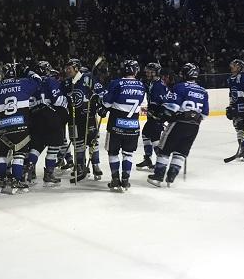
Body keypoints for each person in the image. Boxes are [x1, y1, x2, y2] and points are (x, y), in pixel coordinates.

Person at [0, 63, 39, 194]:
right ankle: (17, 180)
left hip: (2, 128)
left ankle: (1, 180)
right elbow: (38, 81)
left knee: (1, 154)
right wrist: (27, 69)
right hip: (20, 126)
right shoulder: (23, 83)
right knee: (19, 154)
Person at [148, 63, 209, 187]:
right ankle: (171, 177)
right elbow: (205, 114)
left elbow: (172, 107)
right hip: (194, 126)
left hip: (178, 124)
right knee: (181, 152)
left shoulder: (180, 87)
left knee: (164, 150)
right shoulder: (203, 91)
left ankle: (158, 177)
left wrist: (161, 116)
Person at [99, 60, 146, 191]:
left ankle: (115, 179)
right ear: (135, 71)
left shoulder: (116, 83)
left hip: (116, 125)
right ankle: (125, 180)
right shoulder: (141, 85)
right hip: (133, 126)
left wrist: (103, 106)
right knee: (128, 154)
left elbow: (107, 102)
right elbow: (143, 104)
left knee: (113, 153)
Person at [63, 58, 105, 183]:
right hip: (73, 118)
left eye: (69, 68)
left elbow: (102, 92)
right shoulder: (66, 82)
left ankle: (95, 165)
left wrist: (99, 103)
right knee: (78, 143)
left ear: (76, 68)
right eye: (66, 68)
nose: (67, 71)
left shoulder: (88, 78)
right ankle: (80, 166)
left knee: (93, 142)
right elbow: (60, 97)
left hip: (89, 117)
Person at [27, 61, 68, 186]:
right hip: (49, 116)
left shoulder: (29, 82)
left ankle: (29, 170)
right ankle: (49, 174)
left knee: (36, 145)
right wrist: (68, 100)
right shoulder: (50, 81)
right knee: (55, 144)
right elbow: (57, 101)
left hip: (33, 117)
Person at [136, 63, 170, 171]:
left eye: (150, 71)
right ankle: (148, 159)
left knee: (155, 138)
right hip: (153, 115)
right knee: (146, 134)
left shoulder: (158, 85)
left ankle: (161, 163)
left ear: (156, 72)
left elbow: (164, 102)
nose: (147, 73)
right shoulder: (153, 83)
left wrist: (159, 114)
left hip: (157, 116)